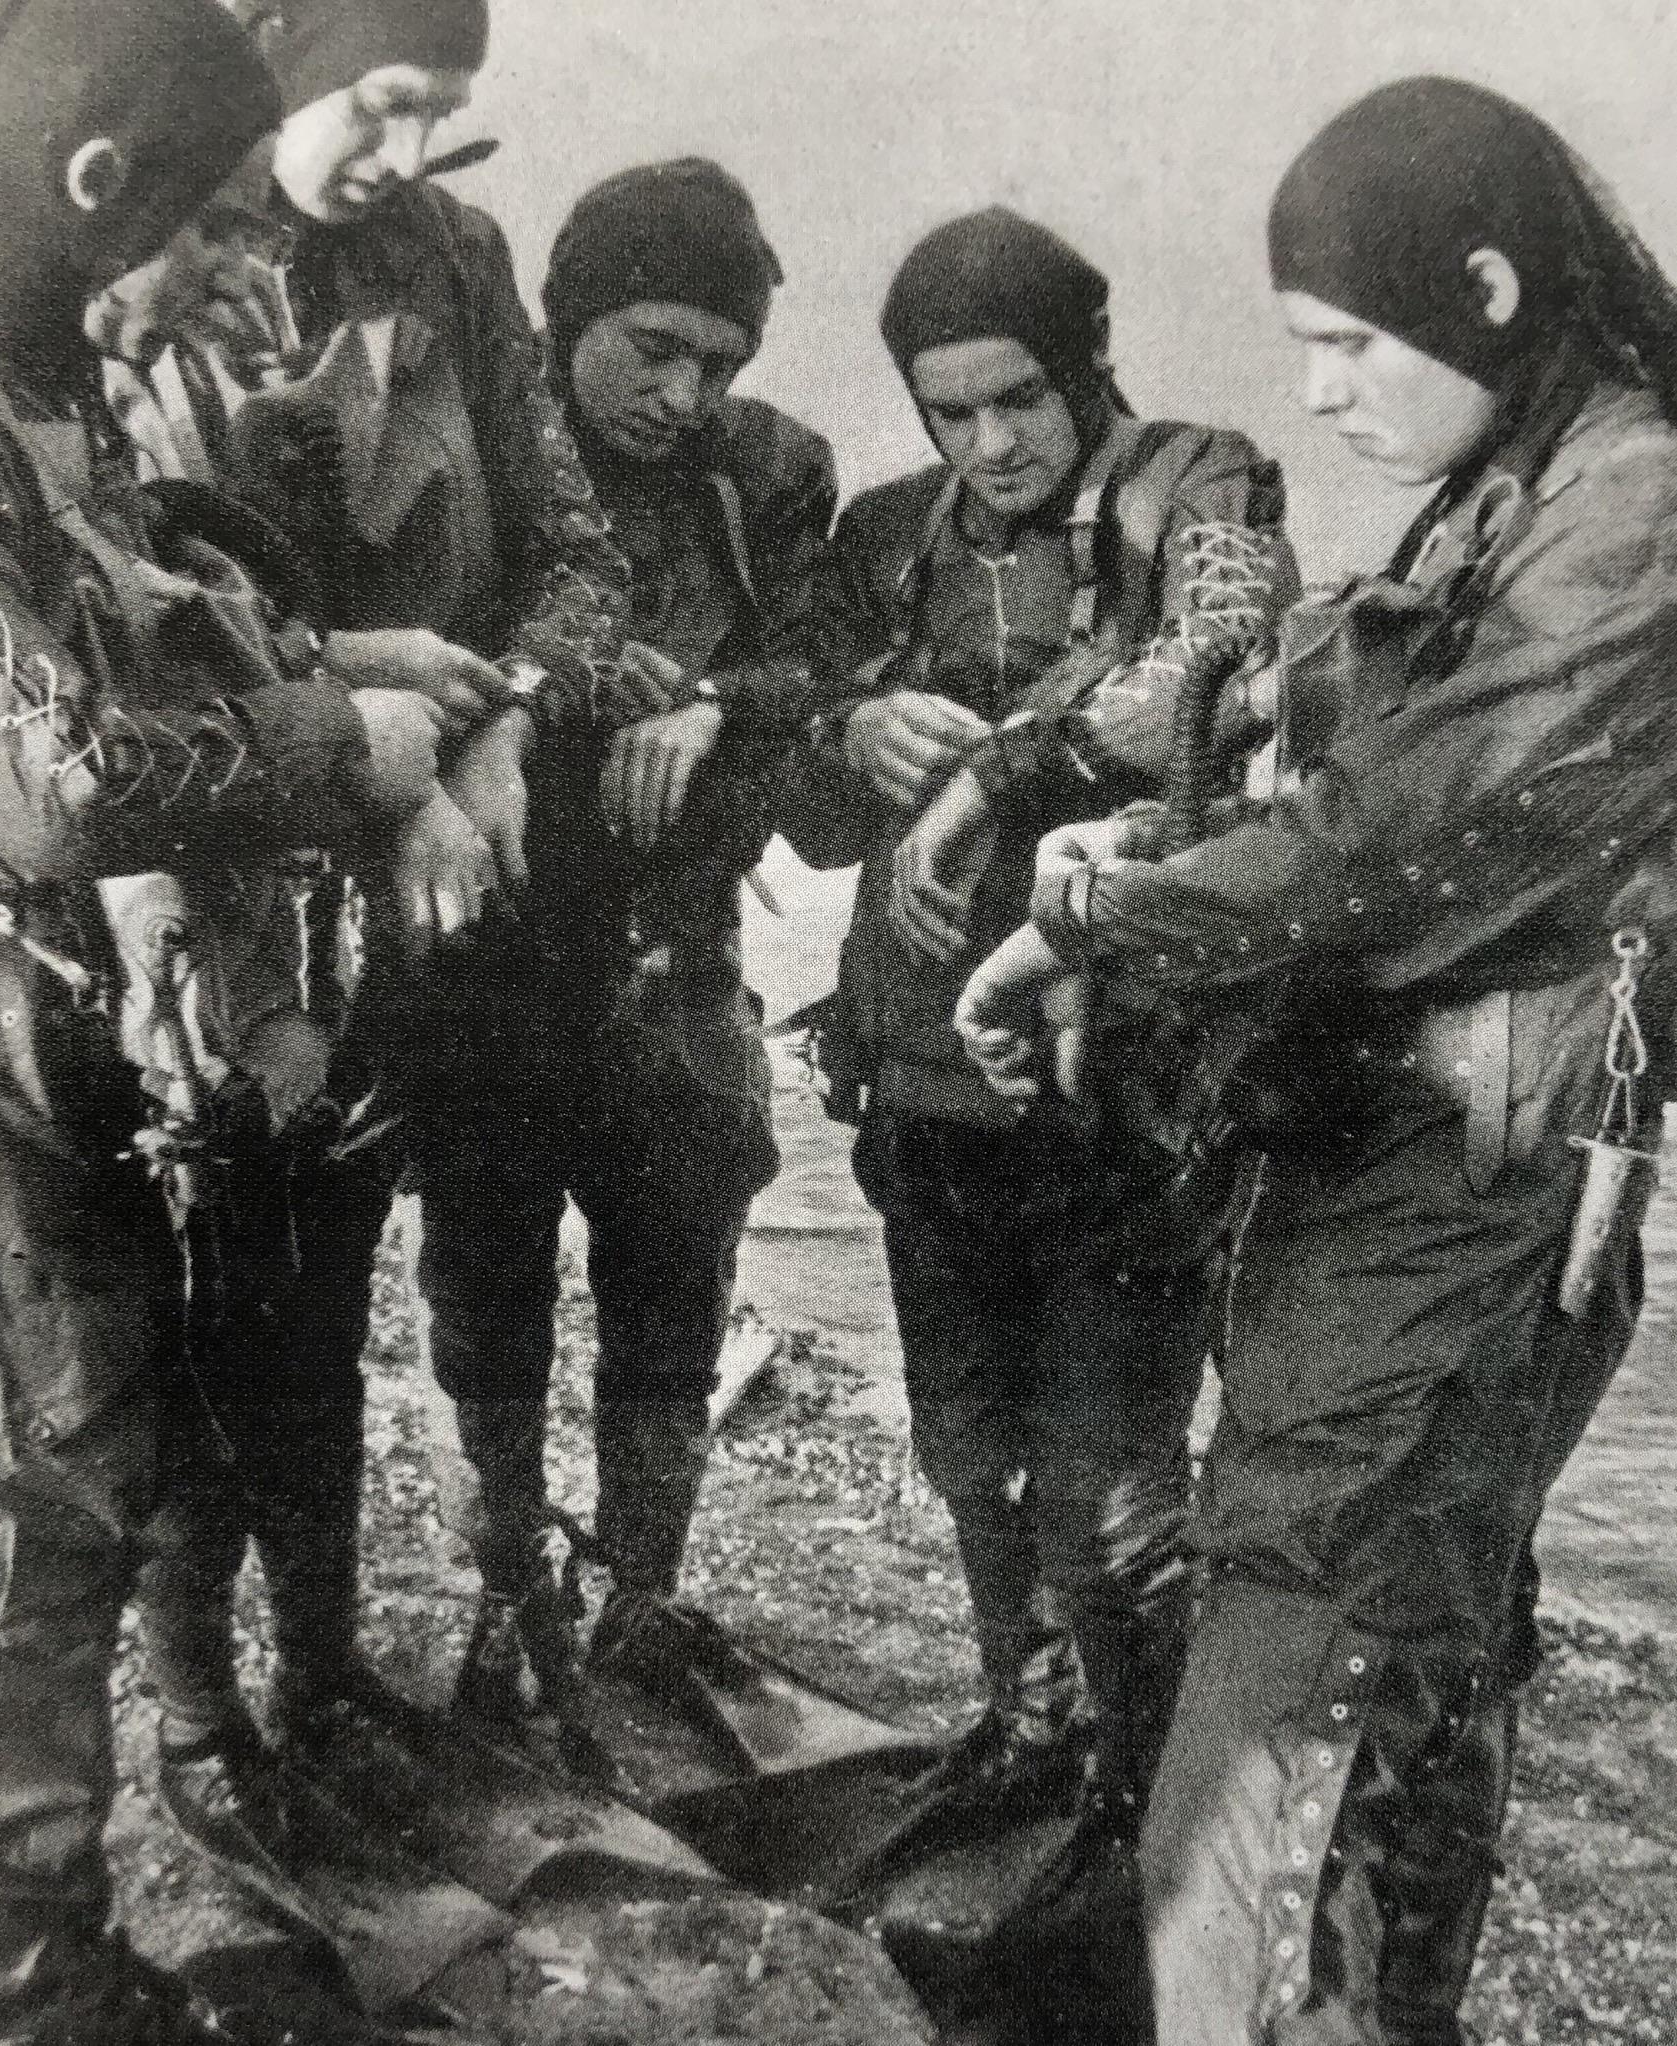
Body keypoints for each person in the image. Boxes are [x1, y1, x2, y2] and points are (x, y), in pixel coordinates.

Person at [955, 77, 1677, 2046]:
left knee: (1284, 1748)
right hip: (1422, 1156)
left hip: (1451, 1169)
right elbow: (1352, 720)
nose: (1330, 394)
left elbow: (1402, 835)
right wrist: (1156, 822)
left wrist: (1093, 917)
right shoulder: (1524, 478)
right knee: (1405, 1688)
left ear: (1492, 290)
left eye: (1353, 344)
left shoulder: (1631, 503)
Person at [0, 2, 456, 2039]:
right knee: (5, 1566)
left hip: (32, 1036)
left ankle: (1, 1957)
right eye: (219, 222)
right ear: (98, 194)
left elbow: (107, 668)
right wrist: (360, 737)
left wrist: (337, 654)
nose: (246, 269)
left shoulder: (12, 403)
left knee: (48, 1548)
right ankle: (9, 1993)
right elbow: (57, 772)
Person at [115, 0, 641, 1809]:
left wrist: (493, 741)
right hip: (199, 858)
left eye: (442, 116)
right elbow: (108, 603)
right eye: (383, 102)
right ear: (270, 40)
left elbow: (580, 557)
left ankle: (326, 1676)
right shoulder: (135, 241)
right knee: (188, 1308)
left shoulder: (452, 255)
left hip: (428, 872)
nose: (403, 158)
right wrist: (383, 743)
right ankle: (198, 1721)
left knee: (323, 1288)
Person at [783, 206, 1294, 1838]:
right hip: (922, 1074)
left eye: (1020, 398)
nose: (990, 440)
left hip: (1122, 1078)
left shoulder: (1198, 483)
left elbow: (1217, 671)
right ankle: (1026, 1721)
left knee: (1116, 1474)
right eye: (951, 410)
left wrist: (987, 777)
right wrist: (850, 731)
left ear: (1082, 368)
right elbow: (784, 782)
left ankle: (1136, 1799)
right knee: (962, 1446)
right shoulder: (882, 538)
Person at [417, 157, 833, 1711]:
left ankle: (638, 1600)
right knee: (485, 1287)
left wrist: (724, 701)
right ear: (567, 315)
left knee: (672, 1287)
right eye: (650, 346)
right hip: (497, 951)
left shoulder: (770, 478)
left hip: (677, 953)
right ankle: (505, 1592)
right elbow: (445, 671)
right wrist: (604, 686)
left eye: (718, 359)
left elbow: (830, 686)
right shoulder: (483, 452)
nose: (684, 389)